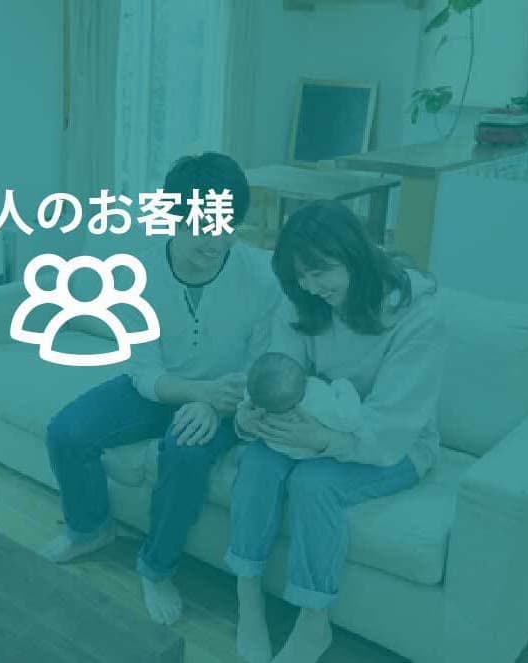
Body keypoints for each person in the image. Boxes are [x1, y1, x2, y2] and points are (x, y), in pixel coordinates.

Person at [40, 151, 284, 626]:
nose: (216, 241)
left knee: (185, 453)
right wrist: (197, 393)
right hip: (164, 386)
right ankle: (90, 529)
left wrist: (215, 403)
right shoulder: (141, 270)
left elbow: (259, 366)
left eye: (227, 226)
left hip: (228, 398)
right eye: (203, 226)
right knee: (67, 432)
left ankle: (156, 567)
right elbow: (143, 369)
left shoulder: (260, 276)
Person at [227, 200, 445, 663]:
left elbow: (394, 424)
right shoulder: (302, 299)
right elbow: (280, 372)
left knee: (314, 484)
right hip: (317, 419)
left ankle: (313, 623)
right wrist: (253, 414)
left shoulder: (417, 315)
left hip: (396, 443)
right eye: (299, 276)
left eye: (320, 271)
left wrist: (325, 441)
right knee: (259, 462)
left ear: (355, 253)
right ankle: (248, 601)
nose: (311, 286)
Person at [238, 351, 361, 460]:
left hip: (278, 448)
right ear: (306, 381)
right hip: (311, 451)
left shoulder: (257, 397)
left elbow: (246, 405)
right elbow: (350, 421)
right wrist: (343, 385)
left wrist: (241, 418)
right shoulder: (318, 400)